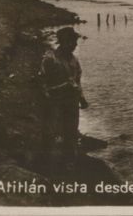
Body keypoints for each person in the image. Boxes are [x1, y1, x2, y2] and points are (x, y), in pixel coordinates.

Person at [40, 27, 88, 168]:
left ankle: (69, 164)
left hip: (71, 103)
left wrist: (82, 99)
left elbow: (76, 82)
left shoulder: (74, 60)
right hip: (55, 103)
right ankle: (49, 165)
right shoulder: (50, 59)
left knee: (71, 133)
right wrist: (63, 87)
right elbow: (42, 86)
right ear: (62, 42)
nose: (74, 45)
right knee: (52, 134)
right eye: (71, 42)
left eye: (75, 42)